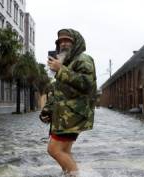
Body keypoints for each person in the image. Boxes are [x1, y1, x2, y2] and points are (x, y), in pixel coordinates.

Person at [40, 28, 97, 176]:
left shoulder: (83, 59)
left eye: (68, 40)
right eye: (61, 41)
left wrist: (60, 70)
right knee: (64, 151)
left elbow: (87, 84)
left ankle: (74, 175)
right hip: (65, 116)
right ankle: (71, 174)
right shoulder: (66, 62)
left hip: (73, 115)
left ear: (76, 42)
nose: (64, 44)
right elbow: (61, 92)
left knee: (54, 149)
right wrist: (48, 110)